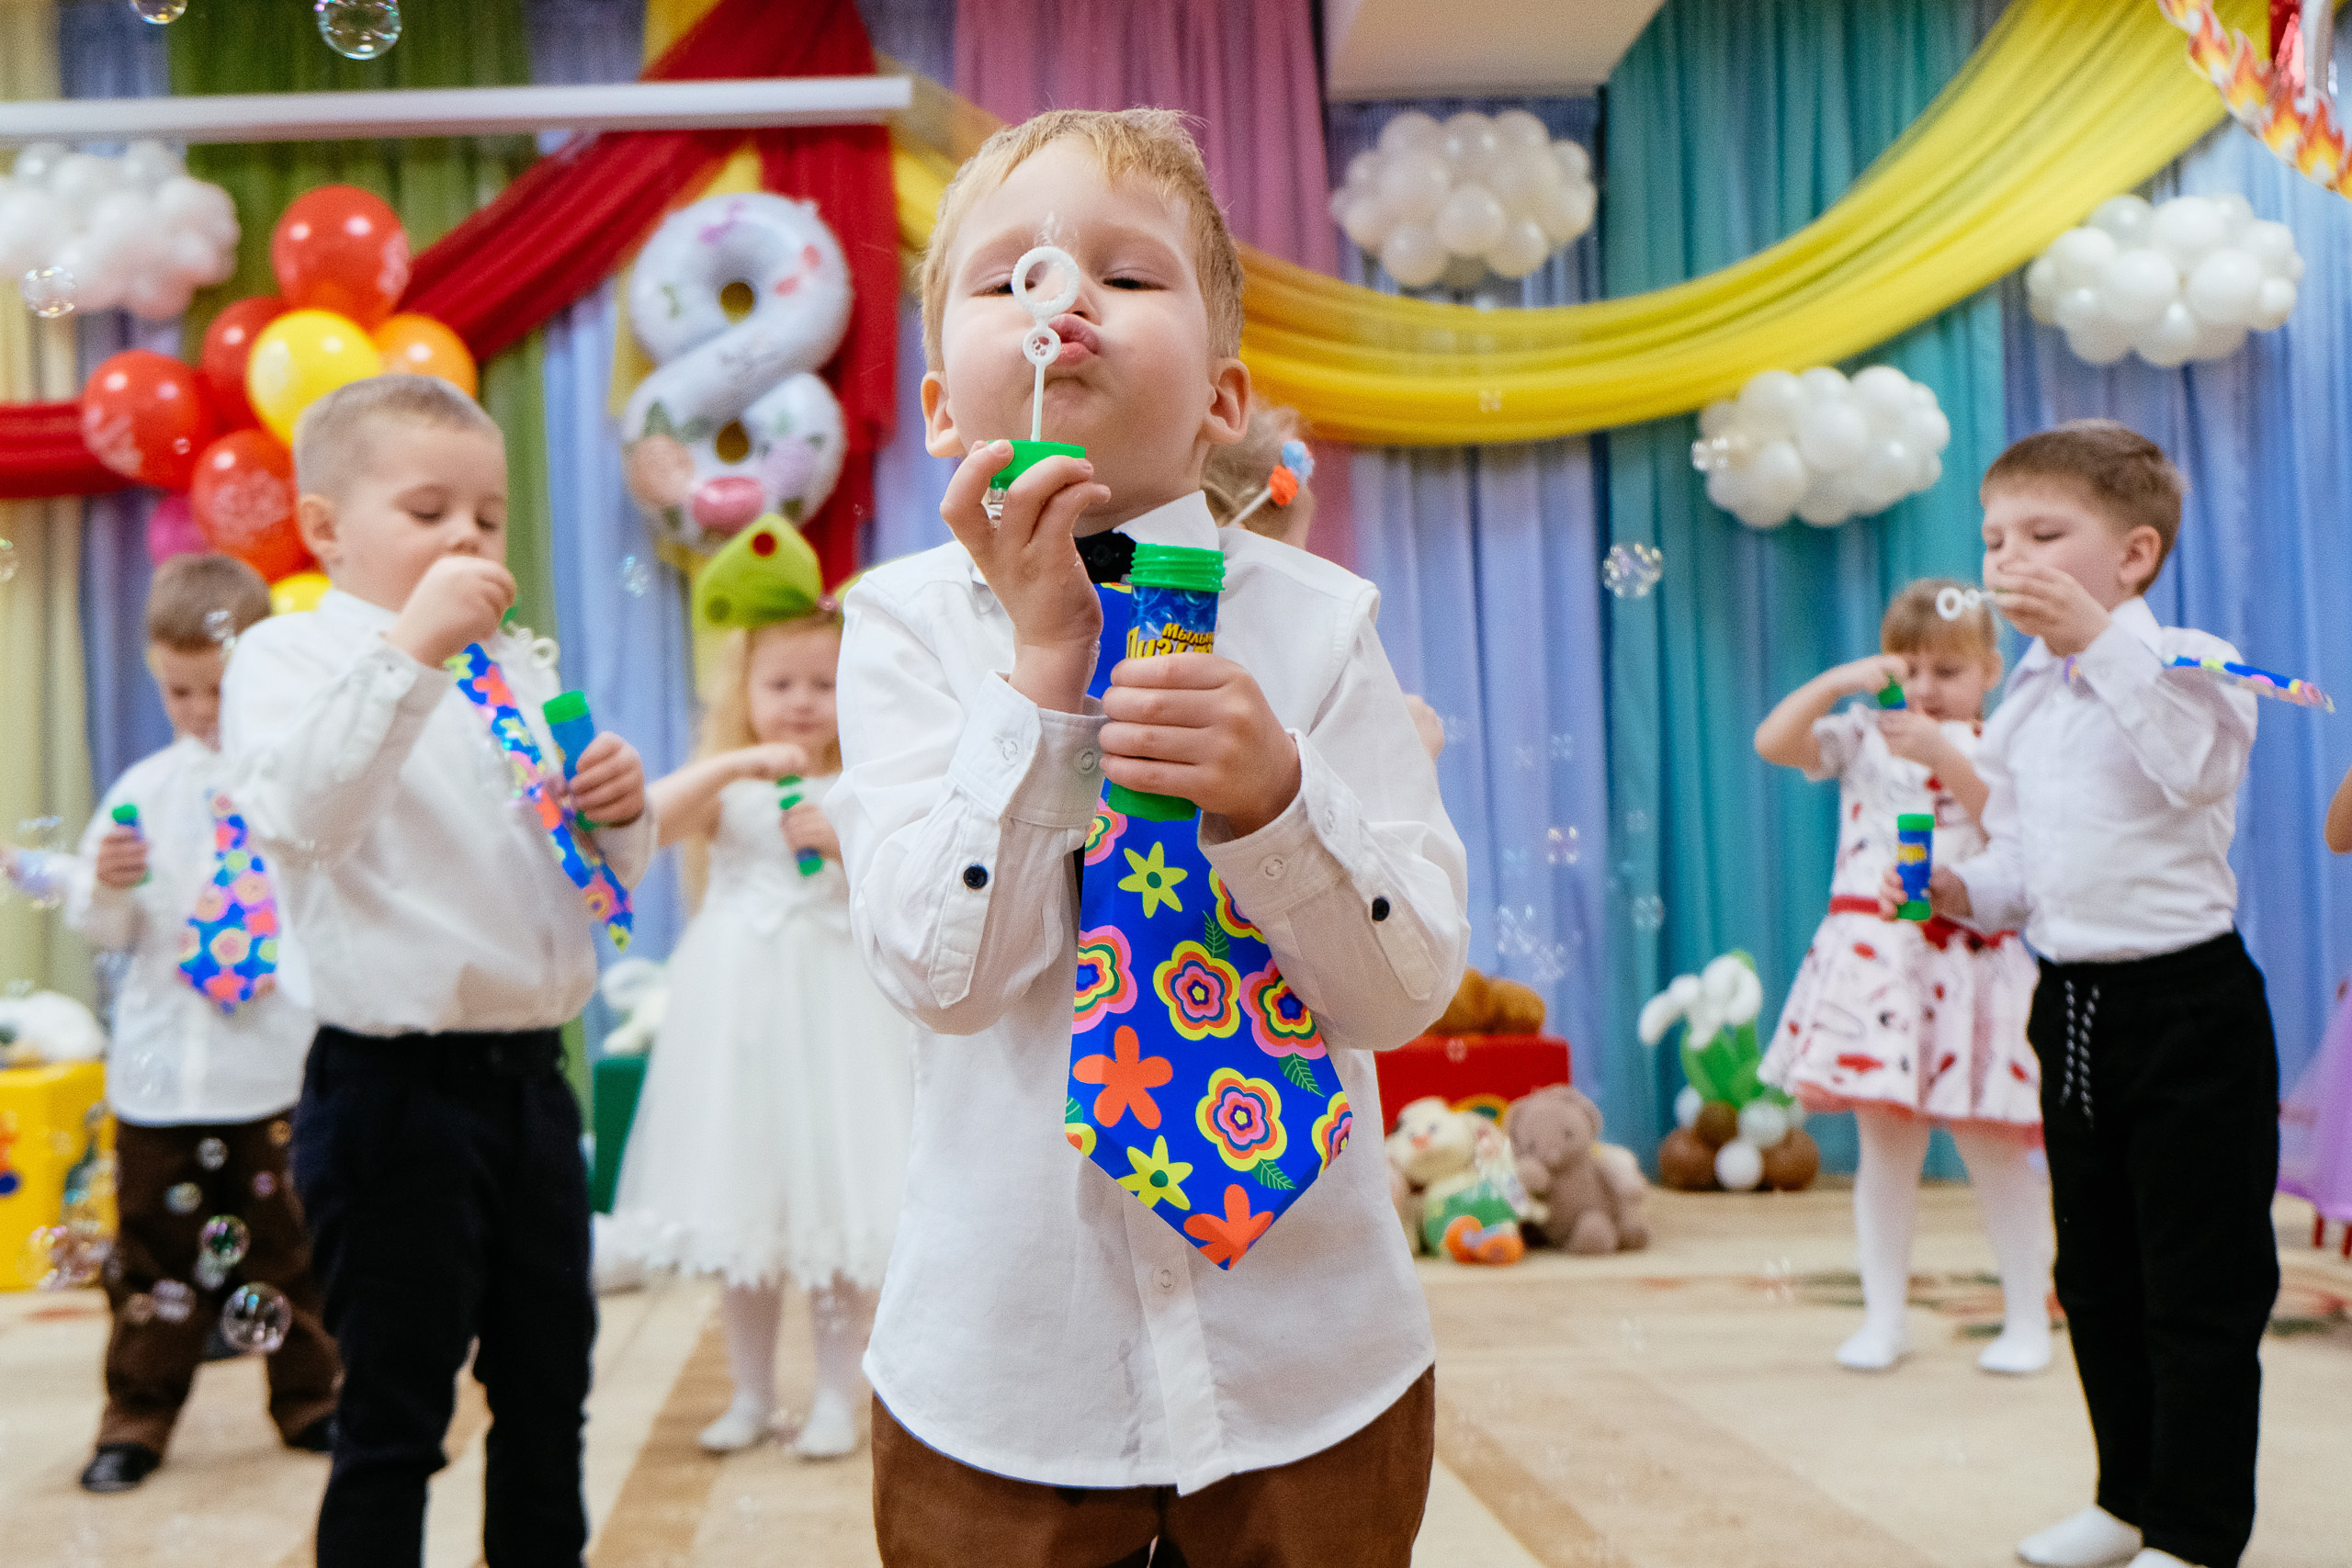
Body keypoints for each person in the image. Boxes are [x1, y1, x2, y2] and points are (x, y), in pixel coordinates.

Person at [831, 108, 1470, 1567]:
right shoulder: (906, 633)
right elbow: (942, 972)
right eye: (1010, 279)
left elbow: (1409, 985)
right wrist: (1044, 674)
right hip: (1004, 1373)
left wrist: (1281, 802)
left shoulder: (1319, 627)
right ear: (943, 408)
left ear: (1222, 397)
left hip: (1315, 1363)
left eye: (1127, 274)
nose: (1063, 302)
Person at [220, 374, 654, 1568]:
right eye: (427, 511)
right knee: (397, 1413)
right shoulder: (291, 655)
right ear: (325, 530)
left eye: (488, 513)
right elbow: (303, 816)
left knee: (549, 1395)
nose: (467, 536)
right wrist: (414, 645)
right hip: (388, 1094)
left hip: (529, 1077)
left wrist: (621, 811)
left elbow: (570, 873)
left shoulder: (511, 666)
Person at [1887, 422, 2274, 1568]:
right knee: (2093, 1273)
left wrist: (2103, 645)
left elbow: (2192, 769)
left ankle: (2197, 1532)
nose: (2009, 562)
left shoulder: (2188, 663)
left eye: (2045, 536)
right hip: (2071, 1007)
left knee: (2197, 1285)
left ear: (2135, 556)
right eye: (1995, 538)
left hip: (2188, 1010)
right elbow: (2026, 866)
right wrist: (1962, 886)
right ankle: (2126, 1499)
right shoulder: (2029, 705)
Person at [606, 581, 912, 1461]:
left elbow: (900, 887)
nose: (803, 701)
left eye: (823, 683)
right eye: (781, 684)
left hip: (838, 1014)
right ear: (744, 690)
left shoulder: (867, 784)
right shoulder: (727, 784)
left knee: (833, 1207)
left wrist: (848, 838)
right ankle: (747, 1393)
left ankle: (832, 1395)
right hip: (739, 1014)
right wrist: (736, 764)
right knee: (748, 1214)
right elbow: (645, 821)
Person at [62, 552, 340, 1494]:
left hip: (274, 1070)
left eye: (216, 689)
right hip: (159, 1079)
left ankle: (314, 1402)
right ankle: (135, 1419)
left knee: (288, 1250)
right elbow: (103, 928)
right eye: (179, 691)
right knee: (151, 1263)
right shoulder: (143, 791)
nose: (199, 710)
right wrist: (109, 882)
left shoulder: (298, 793)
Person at [1753, 580, 2049, 1375]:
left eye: (1947, 671)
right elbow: (1774, 742)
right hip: (1877, 967)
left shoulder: (2000, 743)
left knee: (1995, 1149)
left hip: (1973, 964)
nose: (1924, 687)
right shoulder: (1864, 734)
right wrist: (1842, 680)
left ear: (1989, 669)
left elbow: (2010, 828)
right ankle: (1885, 1317)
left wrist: (1945, 753)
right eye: (1910, 668)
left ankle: (2028, 1316)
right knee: (1886, 1152)